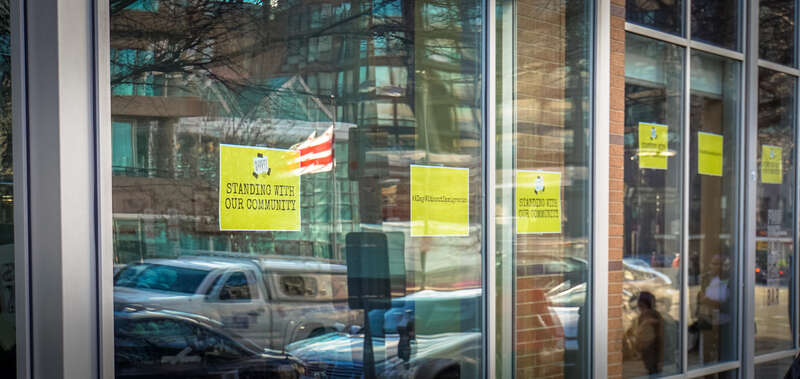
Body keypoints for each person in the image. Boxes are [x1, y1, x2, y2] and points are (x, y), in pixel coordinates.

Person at [634, 291, 664, 375]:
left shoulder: (653, 315)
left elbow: (660, 337)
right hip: (647, 350)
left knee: (653, 371)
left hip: (652, 350)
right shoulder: (643, 316)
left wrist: (660, 360)